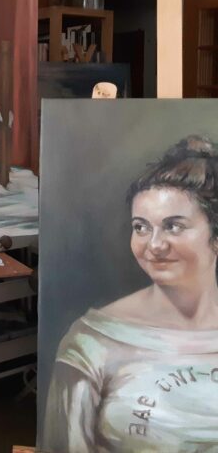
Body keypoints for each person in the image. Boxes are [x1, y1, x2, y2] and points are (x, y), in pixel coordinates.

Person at [42, 135, 218, 452]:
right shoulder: (91, 342)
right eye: (141, 227)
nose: (154, 245)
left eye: (174, 226)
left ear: (215, 237)